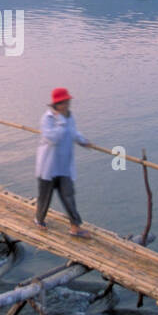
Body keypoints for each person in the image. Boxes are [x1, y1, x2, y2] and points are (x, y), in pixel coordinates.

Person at [34, 87, 92, 237]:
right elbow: (53, 138)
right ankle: (39, 220)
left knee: (69, 196)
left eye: (67, 102)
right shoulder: (48, 118)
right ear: (56, 104)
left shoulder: (69, 116)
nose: (67, 105)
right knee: (44, 197)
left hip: (64, 166)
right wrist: (60, 121)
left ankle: (75, 227)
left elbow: (72, 132)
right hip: (48, 166)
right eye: (63, 102)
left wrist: (83, 141)